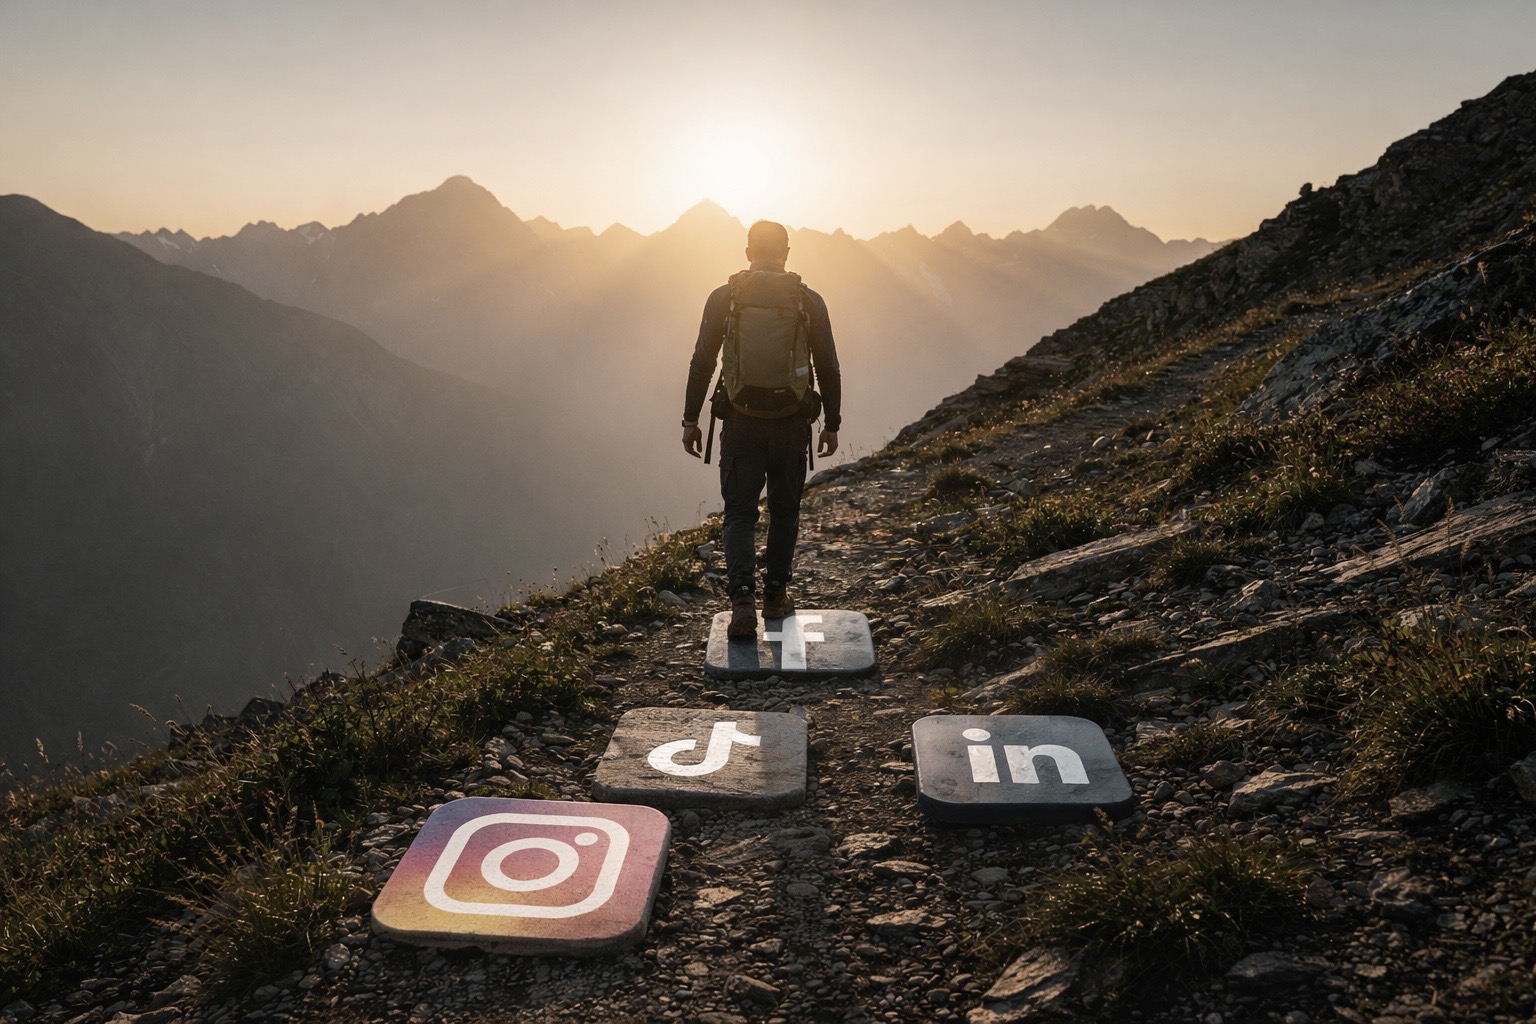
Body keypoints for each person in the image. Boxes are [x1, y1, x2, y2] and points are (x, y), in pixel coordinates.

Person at [681, 220, 841, 640]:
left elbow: (702, 361)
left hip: (739, 422)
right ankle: (774, 595)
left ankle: (741, 605)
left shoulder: (725, 297)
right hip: (791, 423)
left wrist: (690, 419)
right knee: (785, 510)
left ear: (748, 250)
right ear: (786, 252)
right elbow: (828, 366)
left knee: (739, 514)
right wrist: (832, 424)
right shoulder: (808, 300)